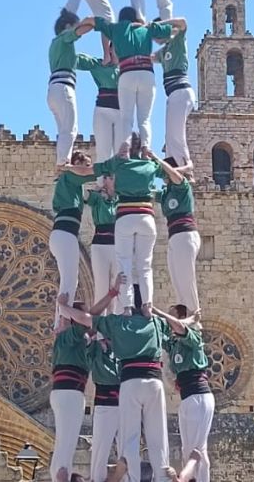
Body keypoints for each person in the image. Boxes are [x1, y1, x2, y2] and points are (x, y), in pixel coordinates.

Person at [59, 294, 198, 482]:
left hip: (129, 386)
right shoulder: (154, 322)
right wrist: (191, 318)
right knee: (157, 436)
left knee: (129, 439)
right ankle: (160, 477)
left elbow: (87, 319)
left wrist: (63, 308)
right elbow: (178, 326)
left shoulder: (117, 325)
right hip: (146, 384)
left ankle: (133, 477)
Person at [66, 137, 181, 312]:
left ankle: (127, 308)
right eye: (109, 178)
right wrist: (155, 158)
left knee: (124, 269)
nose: (110, 180)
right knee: (136, 269)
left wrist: (67, 168)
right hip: (128, 228)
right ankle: (142, 306)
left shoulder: (119, 173)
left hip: (123, 226)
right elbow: (174, 176)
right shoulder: (147, 167)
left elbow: (89, 172)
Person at [92, 9, 186, 149]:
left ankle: (124, 147)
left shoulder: (117, 29)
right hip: (147, 74)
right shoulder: (147, 30)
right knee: (145, 118)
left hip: (126, 74)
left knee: (126, 117)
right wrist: (150, 25)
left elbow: (95, 22)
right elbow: (179, 26)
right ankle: (146, 147)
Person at [160, 304, 214, 482]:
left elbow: (179, 326)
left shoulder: (193, 337)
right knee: (188, 449)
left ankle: (188, 478)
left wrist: (157, 311)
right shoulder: (174, 343)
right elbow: (162, 336)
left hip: (198, 396)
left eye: (172, 315)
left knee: (196, 450)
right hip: (188, 397)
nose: (169, 319)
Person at [51, 151, 97, 321]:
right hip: (65, 235)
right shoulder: (70, 176)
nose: (88, 169)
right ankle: (61, 324)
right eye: (86, 164)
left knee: (69, 281)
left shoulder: (70, 185)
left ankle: (61, 321)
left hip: (62, 234)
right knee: (70, 282)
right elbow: (86, 175)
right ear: (76, 162)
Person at [49, 10, 97, 164]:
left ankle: (62, 162)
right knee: (70, 129)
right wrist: (92, 22)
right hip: (64, 88)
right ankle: (63, 163)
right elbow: (79, 32)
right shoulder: (64, 38)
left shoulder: (55, 45)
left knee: (63, 130)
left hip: (53, 89)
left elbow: (79, 61)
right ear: (68, 26)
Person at [50, 305, 92, 482]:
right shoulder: (72, 335)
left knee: (63, 444)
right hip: (70, 394)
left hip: (62, 393)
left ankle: (59, 475)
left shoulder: (65, 339)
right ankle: (61, 476)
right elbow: (88, 320)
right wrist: (111, 295)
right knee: (66, 446)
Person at [156, 161, 200, 313]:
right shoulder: (166, 193)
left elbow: (175, 175)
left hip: (185, 234)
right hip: (174, 237)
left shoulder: (182, 185)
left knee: (186, 280)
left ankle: (195, 315)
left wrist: (157, 159)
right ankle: (184, 313)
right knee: (177, 281)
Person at [153, 25, 195, 168]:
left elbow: (183, 23)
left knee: (176, 134)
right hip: (173, 95)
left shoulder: (177, 42)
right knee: (170, 135)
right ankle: (173, 164)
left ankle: (185, 167)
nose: (156, 39)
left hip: (181, 92)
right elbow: (149, 58)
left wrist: (164, 23)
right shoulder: (163, 51)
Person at [88, 330, 122, 482]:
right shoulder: (95, 350)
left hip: (123, 405)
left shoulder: (120, 353)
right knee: (100, 449)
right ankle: (97, 479)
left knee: (127, 448)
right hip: (104, 403)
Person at [76, 54, 123, 164]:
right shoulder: (99, 65)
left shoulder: (126, 68)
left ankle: (120, 180)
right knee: (103, 152)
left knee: (121, 153)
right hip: (103, 111)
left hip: (122, 113)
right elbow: (76, 59)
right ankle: (102, 180)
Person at [86, 176, 122, 315]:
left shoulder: (121, 199)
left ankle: (114, 324)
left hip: (118, 245)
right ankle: (99, 328)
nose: (113, 180)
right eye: (109, 178)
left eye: (113, 177)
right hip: (100, 245)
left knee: (117, 286)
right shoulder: (97, 198)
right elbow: (84, 195)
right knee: (101, 287)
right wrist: (97, 187)